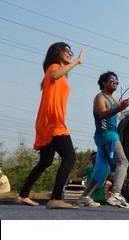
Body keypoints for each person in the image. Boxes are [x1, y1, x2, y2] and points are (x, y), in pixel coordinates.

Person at [15, 42, 84, 209]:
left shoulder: (59, 73)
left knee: (45, 161)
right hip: (53, 122)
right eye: (67, 50)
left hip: (47, 121)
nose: (70, 54)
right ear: (56, 52)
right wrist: (77, 62)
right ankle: (55, 198)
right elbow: (54, 75)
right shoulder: (53, 68)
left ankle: (23, 195)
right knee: (69, 157)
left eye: (71, 52)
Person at [76, 71, 129, 208]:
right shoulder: (100, 98)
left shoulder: (113, 99)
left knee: (102, 170)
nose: (115, 83)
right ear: (104, 83)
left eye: (117, 82)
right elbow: (102, 114)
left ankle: (84, 197)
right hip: (107, 135)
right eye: (112, 81)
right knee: (123, 162)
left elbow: (124, 104)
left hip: (108, 135)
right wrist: (120, 108)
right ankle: (115, 194)